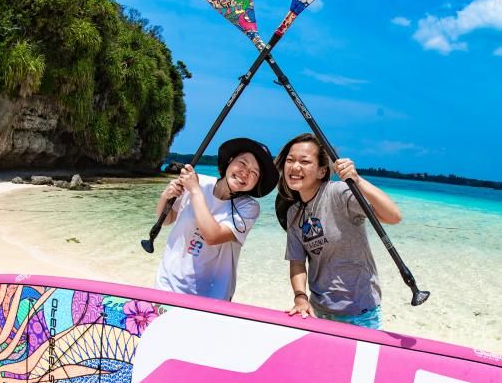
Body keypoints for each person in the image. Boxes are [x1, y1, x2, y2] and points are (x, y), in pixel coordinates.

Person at [275, 133, 402, 329]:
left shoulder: (339, 193)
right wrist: (300, 298)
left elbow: (393, 216)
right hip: (318, 311)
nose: (295, 167)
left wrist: (357, 180)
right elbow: (297, 262)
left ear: (321, 171)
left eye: (305, 161)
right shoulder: (293, 212)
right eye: (290, 160)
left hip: (360, 312)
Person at [155, 137, 278, 301]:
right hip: (167, 284)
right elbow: (166, 219)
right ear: (230, 161)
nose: (245, 172)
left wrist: (195, 191)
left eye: (254, 172)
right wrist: (166, 195)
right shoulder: (199, 182)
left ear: (257, 182)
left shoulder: (248, 207)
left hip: (211, 297)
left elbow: (213, 236)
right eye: (242, 163)